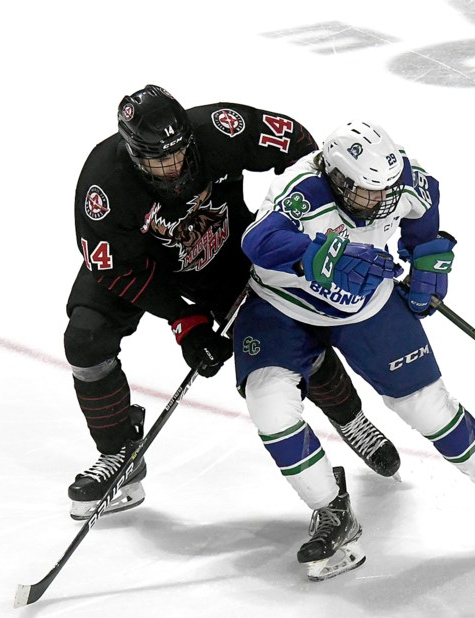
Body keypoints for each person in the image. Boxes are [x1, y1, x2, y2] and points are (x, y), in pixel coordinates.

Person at [65, 85, 401, 522]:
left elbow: (301, 147)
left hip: (224, 252)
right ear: (131, 152)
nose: (173, 167)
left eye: (179, 153)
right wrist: (185, 320)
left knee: (290, 331)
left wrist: (301, 224)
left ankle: (351, 420)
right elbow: (114, 269)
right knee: (86, 339)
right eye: (156, 159)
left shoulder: (221, 128)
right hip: (144, 267)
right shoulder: (104, 187)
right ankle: (119, 456)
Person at [234, 120, 475, 580]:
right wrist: (316, 256)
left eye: (387, 190)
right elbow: (257, 241)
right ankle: (331, 510)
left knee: (427, 407)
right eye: (367, 193)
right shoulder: (303, 190)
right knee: (269, 405)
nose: (381, 202)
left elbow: (425, 200)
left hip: (365, 304)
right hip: (284, 306)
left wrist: (427, 252)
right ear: (335, 178)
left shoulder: (397, 182)